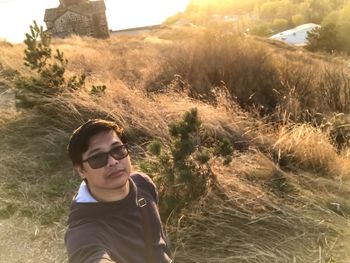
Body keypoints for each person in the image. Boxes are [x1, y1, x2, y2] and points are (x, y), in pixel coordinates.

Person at [65, 119, 172, 263]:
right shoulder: (83, 229)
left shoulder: (142, 183)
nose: (113, 161)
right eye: (97, 157)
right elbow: (89, 255)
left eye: (117, 150)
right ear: (81, 170)